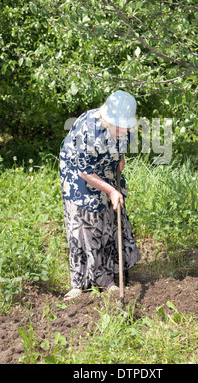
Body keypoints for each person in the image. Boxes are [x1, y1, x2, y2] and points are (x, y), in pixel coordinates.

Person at [59, 90, 141, 300]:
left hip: (105, 170)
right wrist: (112, 190)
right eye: (120, 126)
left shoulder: (127, 129)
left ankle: (106, 279)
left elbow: (120, 151)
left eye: (127, 126)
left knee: (108, 221)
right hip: (79, 176)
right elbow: (84, 171)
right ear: (107, 119)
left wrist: (119, 158)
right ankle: (79, 284)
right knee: (84, 225)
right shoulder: (88, 129)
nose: (124, 130)